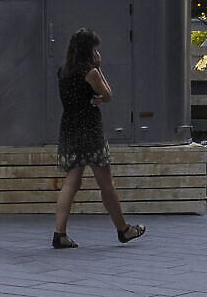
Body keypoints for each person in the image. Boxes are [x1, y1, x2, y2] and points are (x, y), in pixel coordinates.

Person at [51, 28, 144, 249]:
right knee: (106, 184)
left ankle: (60, 234)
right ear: (89, 50)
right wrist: (99, 68)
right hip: (90, 130)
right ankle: (123, 230)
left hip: (69, 128)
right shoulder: (90, 71)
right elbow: (108, 95)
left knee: (71, 183)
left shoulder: (63, 70)